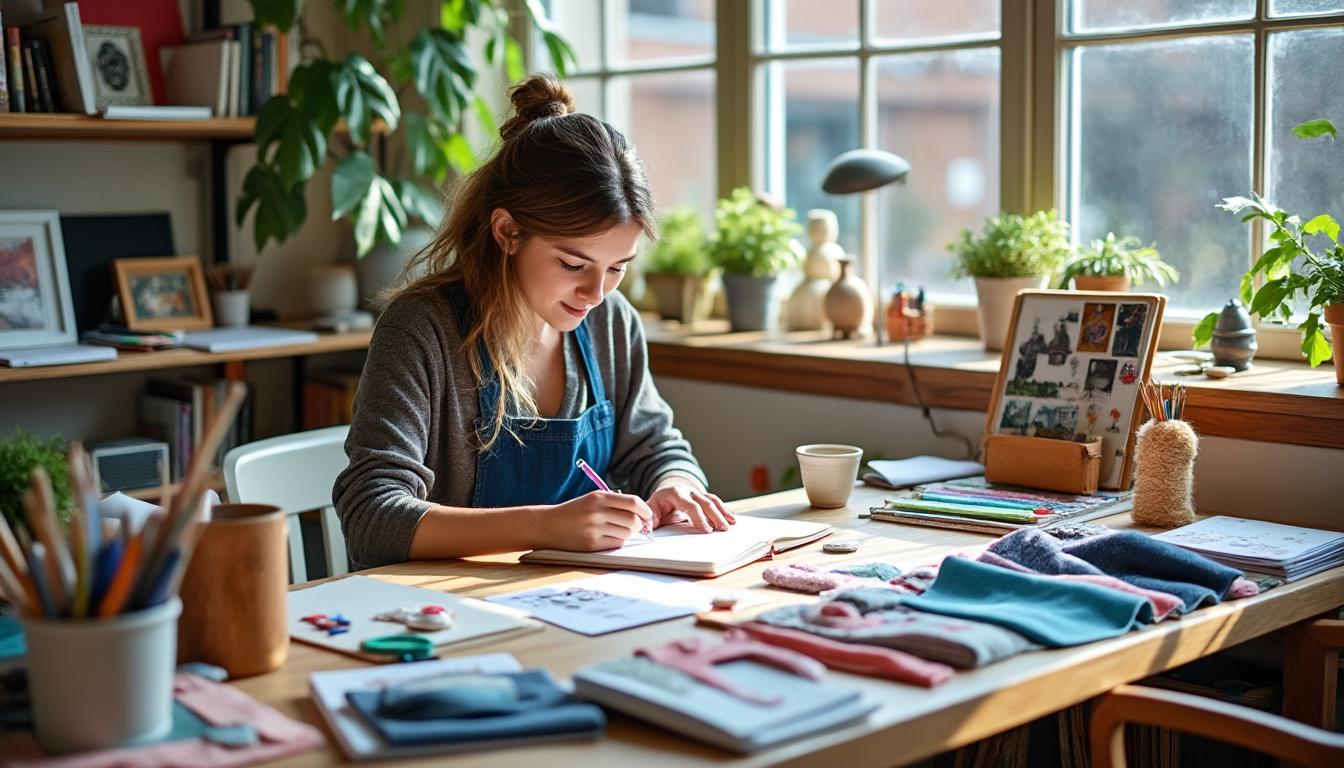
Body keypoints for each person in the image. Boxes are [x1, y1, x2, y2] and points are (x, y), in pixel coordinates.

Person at [333, 74, 734, 570]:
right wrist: (545, 526)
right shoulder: (421, 331)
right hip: (444, 616)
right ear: (508, 231)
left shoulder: (611, 323)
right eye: (573, 265)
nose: (596, 293)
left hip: (575, 606)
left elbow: (654, 446)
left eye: (618, 269)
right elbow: (372, 517)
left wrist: (677, 484)